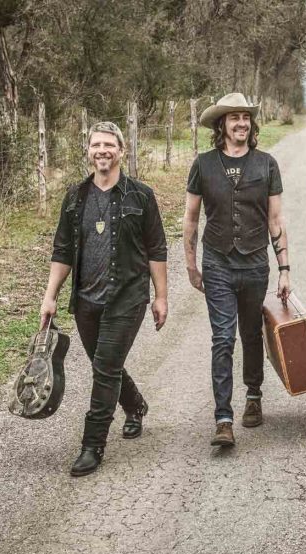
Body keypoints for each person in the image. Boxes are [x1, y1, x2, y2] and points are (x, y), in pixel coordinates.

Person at [40, 121, 168, 476]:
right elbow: (62, 250)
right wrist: (49, 297)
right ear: (88, 151)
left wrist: (161, 297)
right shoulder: (75, 196)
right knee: (104, 365)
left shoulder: (141, 196)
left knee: (106, 369)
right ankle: (136, 405)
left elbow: (157, 249)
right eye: (96, 145)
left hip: (127, 298)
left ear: (121, 151)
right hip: (86, 300)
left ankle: (92, 445)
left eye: (109, 145)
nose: (102, 151)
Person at [183, 93, 291, 447]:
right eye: (234, 118)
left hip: (255, 263)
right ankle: (223, 419)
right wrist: (190, 263)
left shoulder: (266, 164)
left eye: (245, 117)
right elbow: (191, 218)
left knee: (251, 333)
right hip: (217, 262)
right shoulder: (203, 164)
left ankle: (254, 395)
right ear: (222, 125)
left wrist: (285, 269)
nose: (241, 123)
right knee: (222, 338)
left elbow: (276, 220)